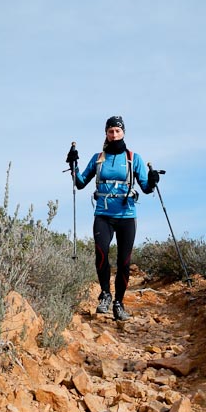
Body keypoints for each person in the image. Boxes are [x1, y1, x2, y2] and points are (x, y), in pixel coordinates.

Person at [68, 116, 160, 321]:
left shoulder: (133, 158)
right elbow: (81, 183)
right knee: (101, 254)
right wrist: (73, 164)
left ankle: (119, 302)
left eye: (117, 131)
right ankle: (105, 295)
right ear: (106, 134)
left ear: (123, 133)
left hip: (126, 215)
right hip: (103, 214)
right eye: (110, 131)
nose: (114, 134)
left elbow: (145, 188)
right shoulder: (98, 158)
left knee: (124, 261)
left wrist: (153, 181)